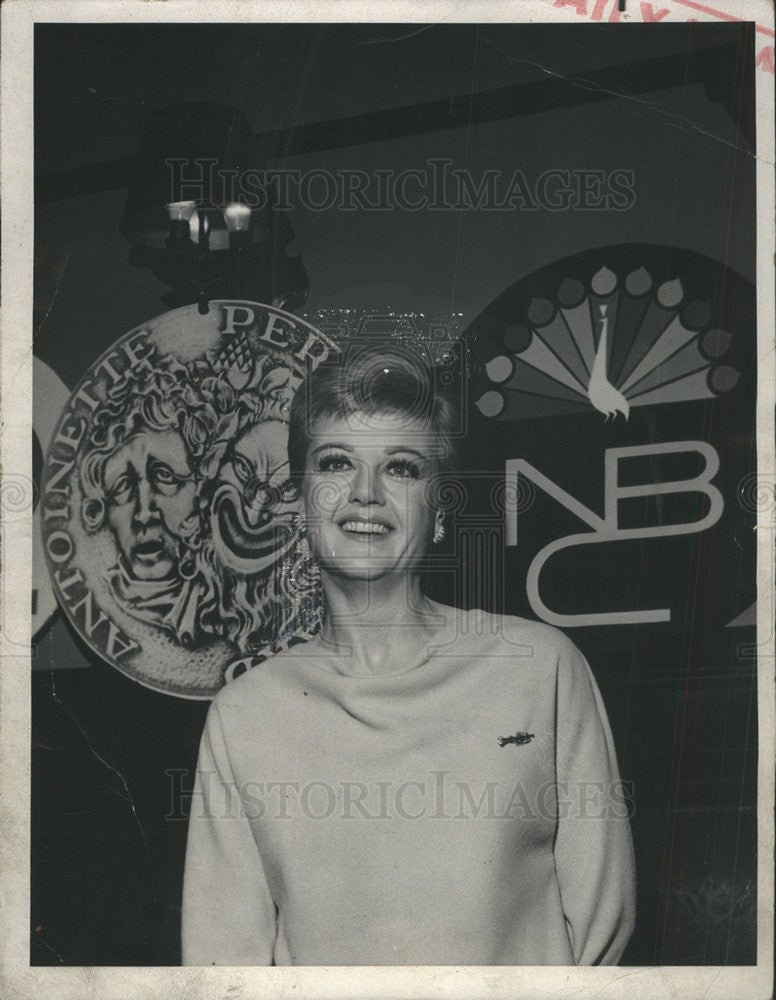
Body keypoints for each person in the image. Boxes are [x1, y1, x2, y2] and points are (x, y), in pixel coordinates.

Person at [181, 347, 636, 966]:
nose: (365, 494)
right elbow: (223, 962)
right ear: (301, 501)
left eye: (401, 468)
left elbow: (600, 927)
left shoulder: (539, 667)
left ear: (439, 508)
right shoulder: (243, 716)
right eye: (336, 463)